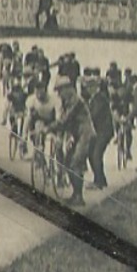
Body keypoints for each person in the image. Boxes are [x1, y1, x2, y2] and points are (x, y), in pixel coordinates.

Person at [48, 75, 95, 205]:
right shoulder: (68, 101)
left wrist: (49, 127)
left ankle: (79, 197)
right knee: (68, 162)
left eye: (59, 90)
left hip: (85, 135)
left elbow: (65, 120)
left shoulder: (75, 101)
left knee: (75, 163)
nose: (58, 94)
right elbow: (63, 121)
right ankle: (76, 194)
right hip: (78, 135)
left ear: (67, 88)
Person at [86, 75, 114, 189]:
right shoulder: (95, 98)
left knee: (96, 155)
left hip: (104, 132)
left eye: (90, 86)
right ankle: (101, 179)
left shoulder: (99, 98)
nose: (88, 89)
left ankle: (98, 182)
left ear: (95, 87)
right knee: (91, 153)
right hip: (99, 131)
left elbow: (94, 114)